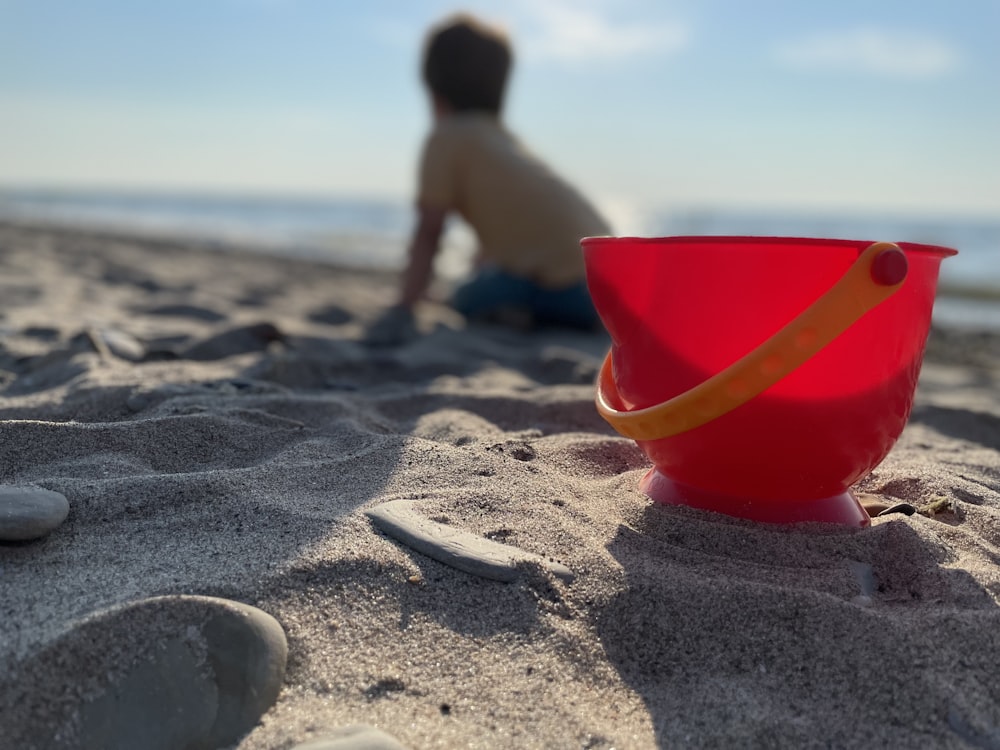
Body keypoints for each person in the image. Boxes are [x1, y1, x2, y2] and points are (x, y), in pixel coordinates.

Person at [366, 13, 612, 345]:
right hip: (607, 285)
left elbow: (430, 229)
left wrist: (406, 303)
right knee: (492, 277)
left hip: (565, 289)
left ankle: (521, 312)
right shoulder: (503, 141)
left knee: (466, 296)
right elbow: (515, 223)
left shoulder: (446, 138)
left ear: (433, 87)